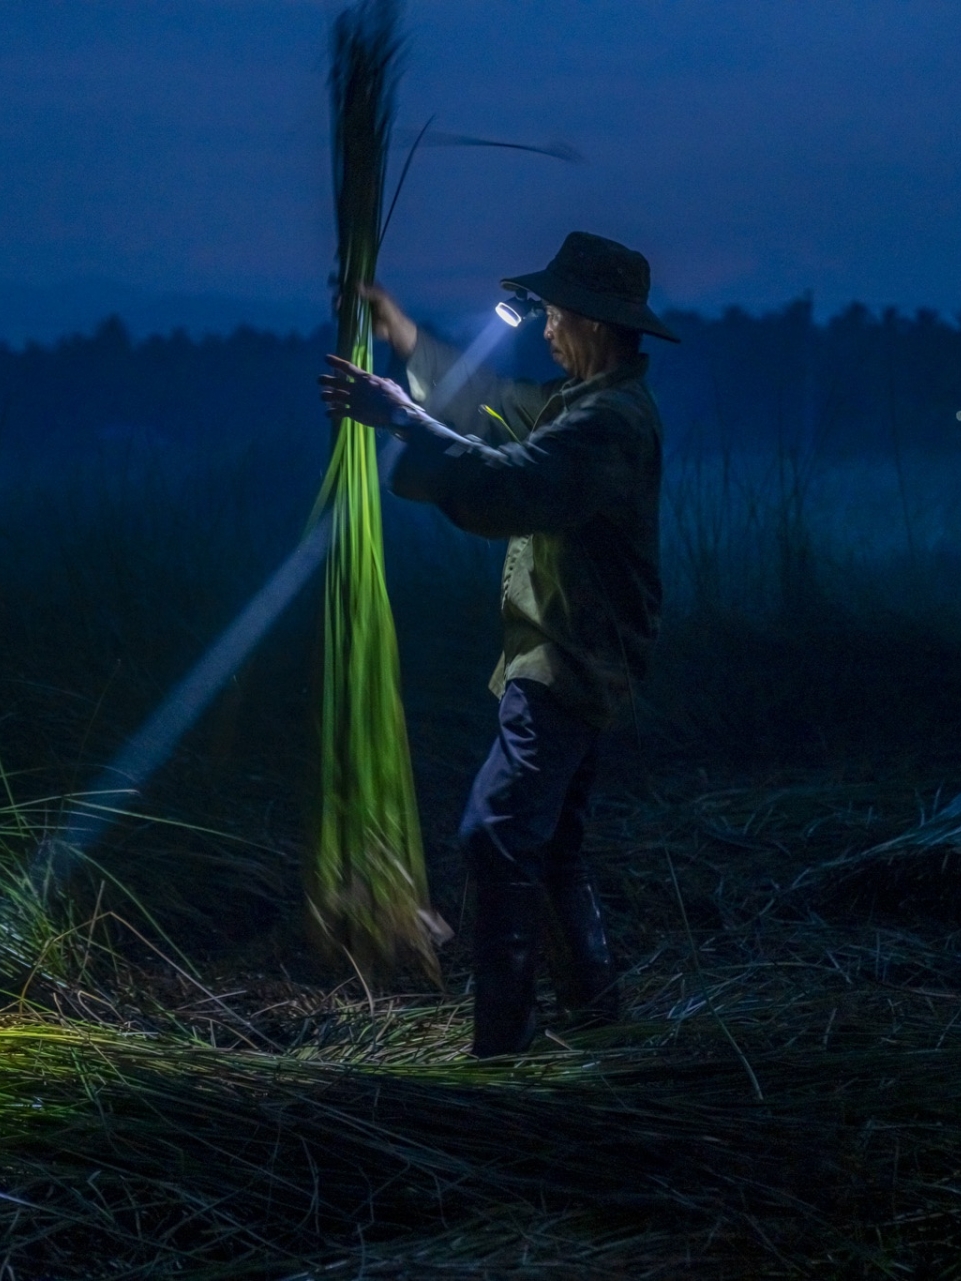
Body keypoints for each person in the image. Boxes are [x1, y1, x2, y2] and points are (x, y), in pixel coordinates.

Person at [319, 230, 676, 1056]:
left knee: (497, 831)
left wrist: (403, 420)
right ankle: (595, 1016)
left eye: (556, 314)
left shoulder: (607, 426)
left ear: (595, 323)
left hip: (569, 658)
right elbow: (492, 397)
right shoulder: (582, 402)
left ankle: (504, 1048)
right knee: (551, 848)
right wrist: (398, 329)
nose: (546, 328)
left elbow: (518, 483)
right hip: (579, 655)